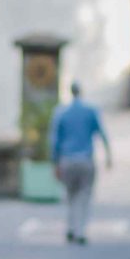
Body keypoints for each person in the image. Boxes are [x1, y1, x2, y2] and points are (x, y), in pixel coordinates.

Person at [47, 82, 111, 245]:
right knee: (84, 196)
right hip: (85, 160)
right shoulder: (90, 111)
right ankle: (80, 230)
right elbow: (102, 134)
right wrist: (108, 156)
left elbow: (54, 140)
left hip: (67, 160)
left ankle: (70, 228)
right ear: (81, 92)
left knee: (70, 195)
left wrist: (55, 162)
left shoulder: (61, 112)